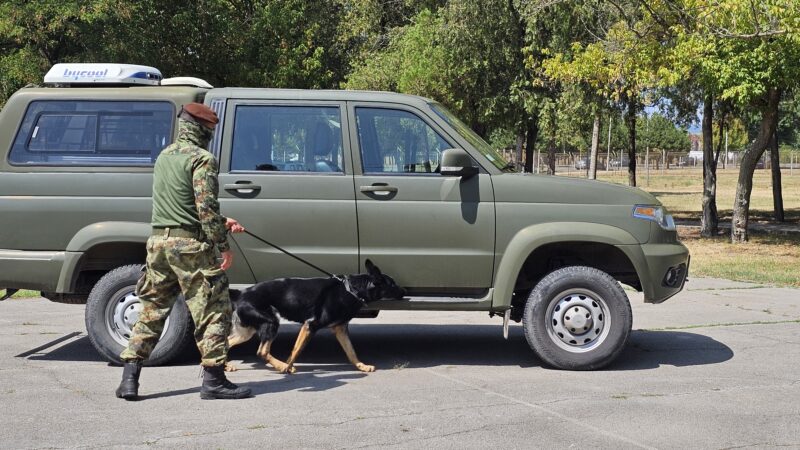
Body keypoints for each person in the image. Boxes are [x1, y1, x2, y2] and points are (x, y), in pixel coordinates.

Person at [116, 103, 251, 400]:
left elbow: (182, 204)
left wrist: (220, 221)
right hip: (189, 246)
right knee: (213, 310)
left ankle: (129, 380)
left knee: (152, 310)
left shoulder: (164, 156)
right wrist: (223, 245)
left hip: (158, 244)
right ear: (203, 129)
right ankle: (214, 382)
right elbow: (205, 207)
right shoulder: (202, 159)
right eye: (211, 130)